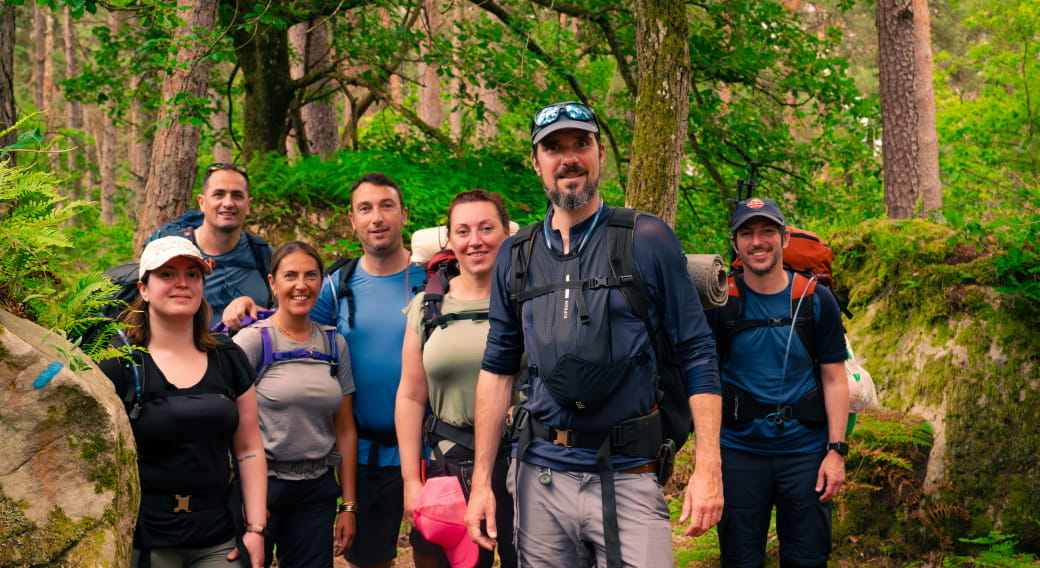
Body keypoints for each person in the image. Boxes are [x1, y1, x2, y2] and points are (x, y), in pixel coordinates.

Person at [464, 101, 724, 568]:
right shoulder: (516, 256)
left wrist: (709, 467)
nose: (569, 158)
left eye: (580, 144)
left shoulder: (646, 239)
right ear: (536, 162)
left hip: (628, 475)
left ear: (600, 153)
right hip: (538, 475)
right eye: (554, 148)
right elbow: (498, 368)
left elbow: (697, 352)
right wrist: (482, 481)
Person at [97, 236, 268, 568]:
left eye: (193, 274)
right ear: (143, 288)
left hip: (219, 537)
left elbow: (249, 447)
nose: (182, 283)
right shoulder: (120, 364)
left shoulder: (227, 357)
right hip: (145, 540)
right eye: (166, 274)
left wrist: (256, 529)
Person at [708, 198, 849, 568]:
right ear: (736, 244)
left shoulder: (816, 300)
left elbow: (834, 378)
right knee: (739, 559)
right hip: (738, 452)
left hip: (806, 453)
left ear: (784, 237)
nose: (758, 241)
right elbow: (703, 378)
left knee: (807, 558)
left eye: (767, 231)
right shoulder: (722, 301)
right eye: (747, 233)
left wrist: (836, 452)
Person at [396, 190, 517, 568]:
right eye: (462, 231)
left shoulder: (528, 303)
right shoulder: (428, 307)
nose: (475, 240)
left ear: (505, 234)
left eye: (486, 228)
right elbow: (411, 397)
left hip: (521, 465)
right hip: (448, 465)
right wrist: (411, 482)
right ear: (450, 240)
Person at [311, 173, 427, 568]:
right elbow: (291, 331)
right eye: (366, 208)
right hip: (363, 454)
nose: (376, 217)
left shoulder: (435, 279)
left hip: (431, 450)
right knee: (370, 561)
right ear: (353, 219)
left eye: (386, 206)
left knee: (440, 556)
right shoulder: (334, 286)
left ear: (404, 215)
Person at [232, 241, 358, 567]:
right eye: (290, 276)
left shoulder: (334, 344)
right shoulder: (253, 341)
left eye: (311, 276)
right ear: (272, 283)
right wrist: (240, 495)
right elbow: (227, 423)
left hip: (316, 491)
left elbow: (344, 428)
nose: (301, 285)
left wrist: (348, 505)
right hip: (261, 486)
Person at [180, 162, 273, 328]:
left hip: (250, 352)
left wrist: (257, 311)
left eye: (237, 195)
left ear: (249, 205)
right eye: (218, 194)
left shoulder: (263, 254)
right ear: (202, 202)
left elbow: (289, 319)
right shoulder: (177, 251)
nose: (228, 203)